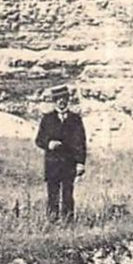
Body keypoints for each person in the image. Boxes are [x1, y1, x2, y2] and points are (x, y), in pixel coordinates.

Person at [35, 86, 87, 221]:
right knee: (52, 194)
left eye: (64, 99)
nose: (61, 102)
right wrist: (49, 144)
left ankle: (68, 222)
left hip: (69, 163)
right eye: (58, 99)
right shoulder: (47, 119)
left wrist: (81, 163)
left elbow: (81, 142)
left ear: (68, 100)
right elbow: (39, 140)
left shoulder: (75, 119)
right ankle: (52, 221)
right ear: (54, 101)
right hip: (52, 164)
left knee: (68, 194)